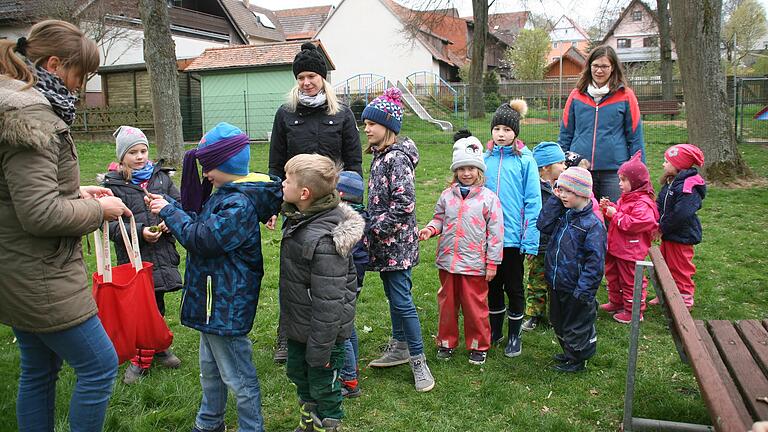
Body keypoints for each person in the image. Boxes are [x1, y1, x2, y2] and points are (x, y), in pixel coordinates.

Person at [0, 20, 131, 432]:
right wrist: (100, 211)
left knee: (39, 369)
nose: (81, 85)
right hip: (40, 272)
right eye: (81, 74)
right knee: (99, 365)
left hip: (18, 265)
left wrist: (77, 190)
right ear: (54, 64)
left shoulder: (18, 104)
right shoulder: (32, 118)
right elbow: (39, 213)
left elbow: (20, 192)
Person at [148, 122, 282, 432]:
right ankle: (209, 422)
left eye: (208, 167)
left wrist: (171, 212)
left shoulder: (238, 203)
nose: (205, 174)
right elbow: (201, 224)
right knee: (210, 370)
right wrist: (176, 213)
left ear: (227, 165)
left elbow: (205, 240)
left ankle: (251, 427)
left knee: (238, 375)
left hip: (225, 303)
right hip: (212, 300)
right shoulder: (225, 193)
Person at [269, 41, 363, 363]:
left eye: (312, 76)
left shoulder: (342, 114)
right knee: (293, 270)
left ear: (323, 77)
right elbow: (274, 162)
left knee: (329, 272)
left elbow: (353, 162)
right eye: (301, 77)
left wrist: (351, 201)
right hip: (296, 206)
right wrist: (273, 204)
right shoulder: (286, 115)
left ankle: (335, 331)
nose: (306, 82)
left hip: (331, 207)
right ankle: (287, 333)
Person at [279, 154, 364, 432]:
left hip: (322, 336)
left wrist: (321, 349)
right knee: (299, 376)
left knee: (324, 387)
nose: (281, 184)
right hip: (301, 326)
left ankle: (328, 425)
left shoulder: (324, 241)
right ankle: (308, 422)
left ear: (304, 193)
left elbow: (330, 302)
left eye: (287, 180)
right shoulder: (303, 216)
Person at [363, 88, 435, 392]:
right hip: (385, 246)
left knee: (402, 300)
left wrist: (376, 229)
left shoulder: (397, 160)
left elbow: (404, 206)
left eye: (371, 124)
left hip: (398, 245)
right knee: (394, 296)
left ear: (388, 127)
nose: (365, 128)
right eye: (365, 123)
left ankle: (419, 360)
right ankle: (399, 344)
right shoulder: (379, 157)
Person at [101, 125, 183, 384]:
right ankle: (139, 359)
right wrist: (138, 231)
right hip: (133, 257)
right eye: (133, 152)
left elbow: (178, 204)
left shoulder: (162, 178)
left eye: (143, 150)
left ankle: (158, 346)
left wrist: (171, 219)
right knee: (139, 306)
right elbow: (110, 224)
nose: (139, 156)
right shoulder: (114, 185)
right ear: (121, 156)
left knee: (157, 304)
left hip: (162, 252)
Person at [419, 132, 504, 365]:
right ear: (455, 171)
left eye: (471, 168)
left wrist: (492, 263)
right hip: (448, 262)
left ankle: (478, 345)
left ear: (479, 171)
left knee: (475, 307)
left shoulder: (489, 199)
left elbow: (496, 235)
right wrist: (430, 229)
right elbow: (439, 219)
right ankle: (446, 342)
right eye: (462, 168)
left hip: (475, 265)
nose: (467, 173)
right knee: (447, 305)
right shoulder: (447, 196)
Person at [483, 99, 542, 358]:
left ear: (515, 133)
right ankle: (495, 331)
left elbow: (533, 202)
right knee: (492, 286)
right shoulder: (484, 159)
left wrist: (529, 240)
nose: (501, 134)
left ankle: (515, 335)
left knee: (514, 287)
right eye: (497, 129)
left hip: (513, 239)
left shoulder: (525, 162)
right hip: (488, 239)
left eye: (507, 130)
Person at [537, 167, 606, 373]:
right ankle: (568, 352)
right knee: (558, 321)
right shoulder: (564, 215)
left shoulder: (592, 225)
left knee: (577, 325)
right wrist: (556, 201)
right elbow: (542, 224)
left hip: (577, 288)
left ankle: (578, 358)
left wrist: (584, 290)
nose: (563, 195)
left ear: (582, 193)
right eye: (561, 190)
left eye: (568, 192)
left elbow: (595, 262)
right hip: (557, 282)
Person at [558, 45, 645, 203]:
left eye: (604, 66)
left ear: (613, 68)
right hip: (580, 168)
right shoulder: (576, 95)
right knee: (580, 217)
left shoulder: (626, 96)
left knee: (612, 217)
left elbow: (635, 136)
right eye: (596, 66)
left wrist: (640, 172)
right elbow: (565, 133)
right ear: (589, 66)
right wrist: (562, 163)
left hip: (614, 171)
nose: (599, 70)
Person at [599, 151, 659, 324]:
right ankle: (617, 302)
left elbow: (636, 223)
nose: (620, 184)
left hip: (630, 251)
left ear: (637, 181)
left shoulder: (643, 203)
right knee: (613, 276)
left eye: (624, 180)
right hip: (618, 247)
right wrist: (610, 207)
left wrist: (615, 215)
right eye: (620, 179)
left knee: (631, 280)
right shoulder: (628, 198)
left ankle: (633, 311)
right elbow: (621, 213)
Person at [651, 144, 706, 310]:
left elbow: (681, 214)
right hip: (670, 233)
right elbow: (660, 202)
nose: (663, 165)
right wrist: (654, 218)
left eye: (667, 161)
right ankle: (666, 294)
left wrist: (662, 227)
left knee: (680, 267)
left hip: (681, 235)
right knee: (664, 265)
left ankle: (685, 297)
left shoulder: (688, 186)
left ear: (679, 164)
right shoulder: (671, 182)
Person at [523, 141, 567, 332]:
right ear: (546, 167)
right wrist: (529, 244)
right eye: (561, 162)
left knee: (557, 280)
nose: (565, 166)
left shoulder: (565, 186)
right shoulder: (533, 188)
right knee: (536, 281)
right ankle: (534, 314)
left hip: (559, 244)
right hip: (539, 244)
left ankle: (555, 314)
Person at [335, 171, 369, 398]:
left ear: (339, 193)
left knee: (340, 328)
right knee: (348, 324)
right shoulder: (361, 216)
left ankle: (348, 380)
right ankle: (352, 369)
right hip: (355, 280)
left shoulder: (345, 221)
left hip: (344, 281)